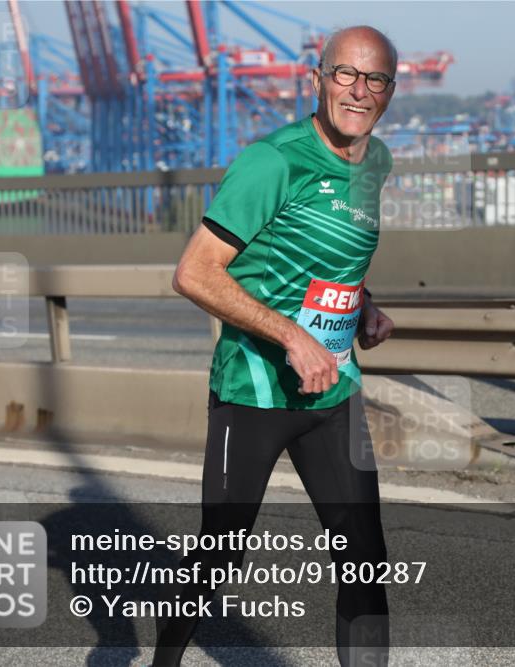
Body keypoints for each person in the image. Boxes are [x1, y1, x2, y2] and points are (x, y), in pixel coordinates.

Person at [152, 25, 398, 667]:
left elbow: (335, 257)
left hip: (334, 392)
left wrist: (363, 306)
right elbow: (194, 273)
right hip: (254, 393)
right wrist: (292, 334)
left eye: (374, 79)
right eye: (345, 74)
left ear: (390, 93)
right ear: (317, 79)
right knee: (219, 556)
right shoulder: (273, 161)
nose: (358, 90)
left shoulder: (376, 161)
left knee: (365, 561)